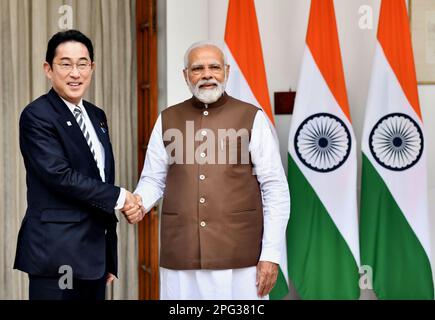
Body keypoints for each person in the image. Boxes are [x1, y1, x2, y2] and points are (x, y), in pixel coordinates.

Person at [123, 41, 290, 299]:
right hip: (181, 253)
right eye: (197, 68)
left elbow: (274, 187)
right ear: (185, 75)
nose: (207, 74)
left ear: (227, 71)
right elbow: (154, 179)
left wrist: (270, 254)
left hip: (240, 257)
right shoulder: (167, 118)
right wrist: (139, 202)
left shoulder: (252, 117)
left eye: (214, 67)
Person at [14, 29, 142, 300]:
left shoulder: (97, 116)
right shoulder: (37, 115)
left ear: (92, 68)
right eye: (66, 64)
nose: (75, 73)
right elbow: (60, 176)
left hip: (93, 259)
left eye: (82, 64)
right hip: (57, 254)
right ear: (48, 69)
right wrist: (121, 197)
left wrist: (108, 255)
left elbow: (99, 177)